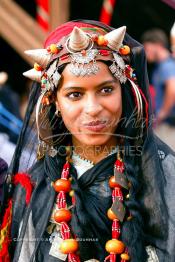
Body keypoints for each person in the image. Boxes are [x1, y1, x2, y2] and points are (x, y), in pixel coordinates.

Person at [0, 20, 175, 262]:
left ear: (123, 91)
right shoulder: (35, 185)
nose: (92, 109)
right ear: (55, 102)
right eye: (75, 94)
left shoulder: (165, 172)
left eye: (106, 90)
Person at [142, 29, 175, 150]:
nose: (145, 52)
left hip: (169, 125)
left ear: (157, 44)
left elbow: (172, 89)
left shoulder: (167, 65)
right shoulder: (162, 66)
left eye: (147, 47)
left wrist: (162, 113)